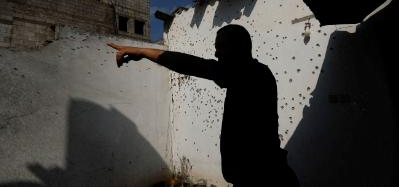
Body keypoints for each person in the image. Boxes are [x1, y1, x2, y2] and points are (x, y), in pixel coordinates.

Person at [108, 24, 299, 186]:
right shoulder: (254, 73)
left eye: (221, 47)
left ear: (239, 47)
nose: (216, 53)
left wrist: (142, 51)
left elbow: (193, 65)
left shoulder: (250, 73)